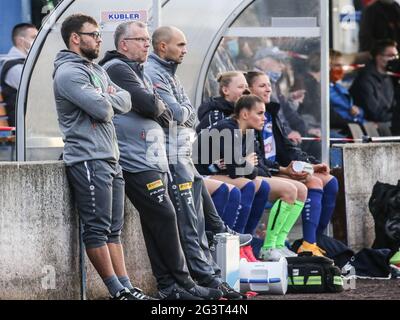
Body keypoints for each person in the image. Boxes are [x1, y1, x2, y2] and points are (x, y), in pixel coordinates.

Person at [98, 21, 223, 300]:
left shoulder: (138, 70)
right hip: (135, 160)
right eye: (140, 39)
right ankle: (184, 283)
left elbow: (183, 111)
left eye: (146, 38)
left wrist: (163, 109)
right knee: (166, 216)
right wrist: (161, 110)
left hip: (152, 159)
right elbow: (154, 105)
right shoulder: (118, 68)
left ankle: (171, 287)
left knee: (157, 220)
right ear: (123, 45)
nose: (146, 44)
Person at [53, 14, 151, 300]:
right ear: (75, 38)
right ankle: (116, 291)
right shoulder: (69, 73)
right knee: (96, 229)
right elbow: (104, 109)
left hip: (110, 157)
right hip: (88, 158)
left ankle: (127, 286)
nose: (99, 39)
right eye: (94, 34)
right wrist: (107, 97)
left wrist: (106, 95)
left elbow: (126, 99)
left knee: (113, 230)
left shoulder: (96, 69)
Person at [146, 26, 244, 299]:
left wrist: (183, 112)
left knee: (197, 219)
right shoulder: (153, 72)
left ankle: (210, 271)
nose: (185, 49)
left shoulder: (170, 74)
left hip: (182, 154)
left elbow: (188, 113)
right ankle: (205, 279)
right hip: (170, 156)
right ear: (163, 47)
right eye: (180, 44)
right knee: (189, 222)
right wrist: (183, 112)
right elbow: (177, 114)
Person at [246, 71, 339, 257]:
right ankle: (305, 243)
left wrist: (310, 164)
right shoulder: (247, 117)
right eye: (262, 85)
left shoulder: (271, 113)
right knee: (313, 183)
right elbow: (256, 158)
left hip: (278, 168)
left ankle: (315, 240)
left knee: (330, 180)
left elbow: (286, 147)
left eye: (269, 84)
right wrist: (284, 170)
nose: (268, 88)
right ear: (249, 90)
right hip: (267, 171)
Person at [350, 39, 398, 124]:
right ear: (379, 57)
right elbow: (375, 113)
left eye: (396, 56)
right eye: (391, 56)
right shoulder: (365, 79)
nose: (395, 59)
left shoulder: (388, 77)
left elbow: (393, 106)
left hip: (386, 123)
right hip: (371, 126)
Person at [0, 23, 38, 127]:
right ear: (20, 41)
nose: (37, 41)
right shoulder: (14, 67)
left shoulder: (25, 63)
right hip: (22, 125)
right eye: (34, 37)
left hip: (29, 121)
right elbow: (36, 91)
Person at [329, 50, 365, 137]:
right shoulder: (323, 89)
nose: (341, 69)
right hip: (343, 129)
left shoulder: (338, 86)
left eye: (342, 65)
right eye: (337, 65)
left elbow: (354, 108)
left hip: (354, 125)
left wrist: (358, 111)